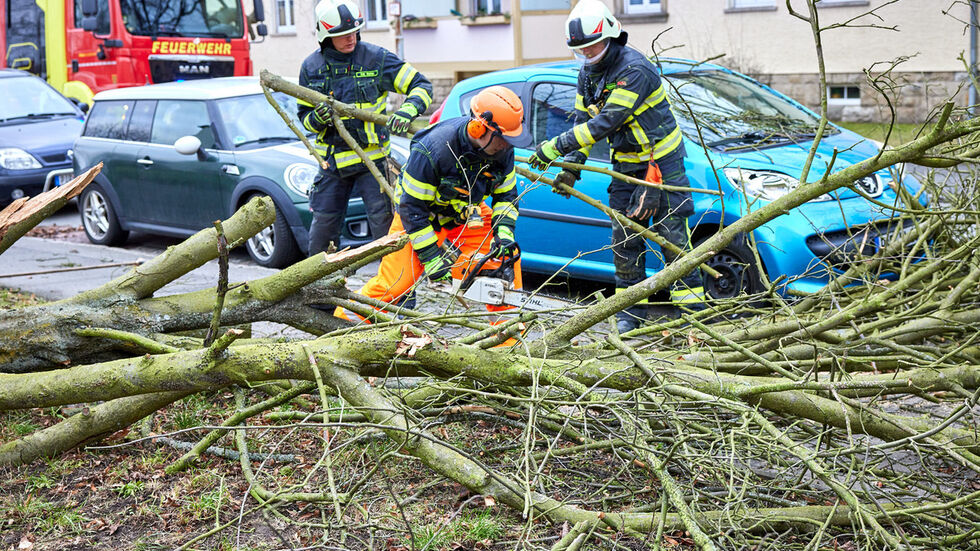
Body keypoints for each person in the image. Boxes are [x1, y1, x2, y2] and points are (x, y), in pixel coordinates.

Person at [527, 0, 706, 333]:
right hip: (625, 164)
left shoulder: (633, 69)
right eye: (579, 49)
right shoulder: (588, 74)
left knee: (672, 238)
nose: (586, 53)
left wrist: (555, 146)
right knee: (624, 240)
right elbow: (584, 119)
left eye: (590, 46)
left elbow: (608, 121)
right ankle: (630, 314)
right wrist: (571, 166)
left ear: (609, 36)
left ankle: (693, 318)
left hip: (662, 163)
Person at [337, 86, 525, 323]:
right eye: (503, 139)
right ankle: (342, 322)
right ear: (479, 128)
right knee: (395, 285)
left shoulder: (503, 150)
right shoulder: (433, 150)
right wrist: (432, 258)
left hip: (467, 212)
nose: (507, 145)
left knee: (503, 266)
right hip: (420, 218)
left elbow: (506, 196)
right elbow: (411, 209)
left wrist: (505, 236)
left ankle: (507, 340)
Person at [298, 0, 433, 255]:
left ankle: (395, 292)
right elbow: (304, 118)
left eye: (354, 32)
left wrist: (408, 110)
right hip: (332, 165)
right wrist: (317, 118)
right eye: (342, 35)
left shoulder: (376, 59)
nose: (350, 38)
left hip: (373, 162)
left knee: (387, 233)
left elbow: (422, 86)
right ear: (325, 36)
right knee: (321, 235)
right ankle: (320, 289)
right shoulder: (311, 68)